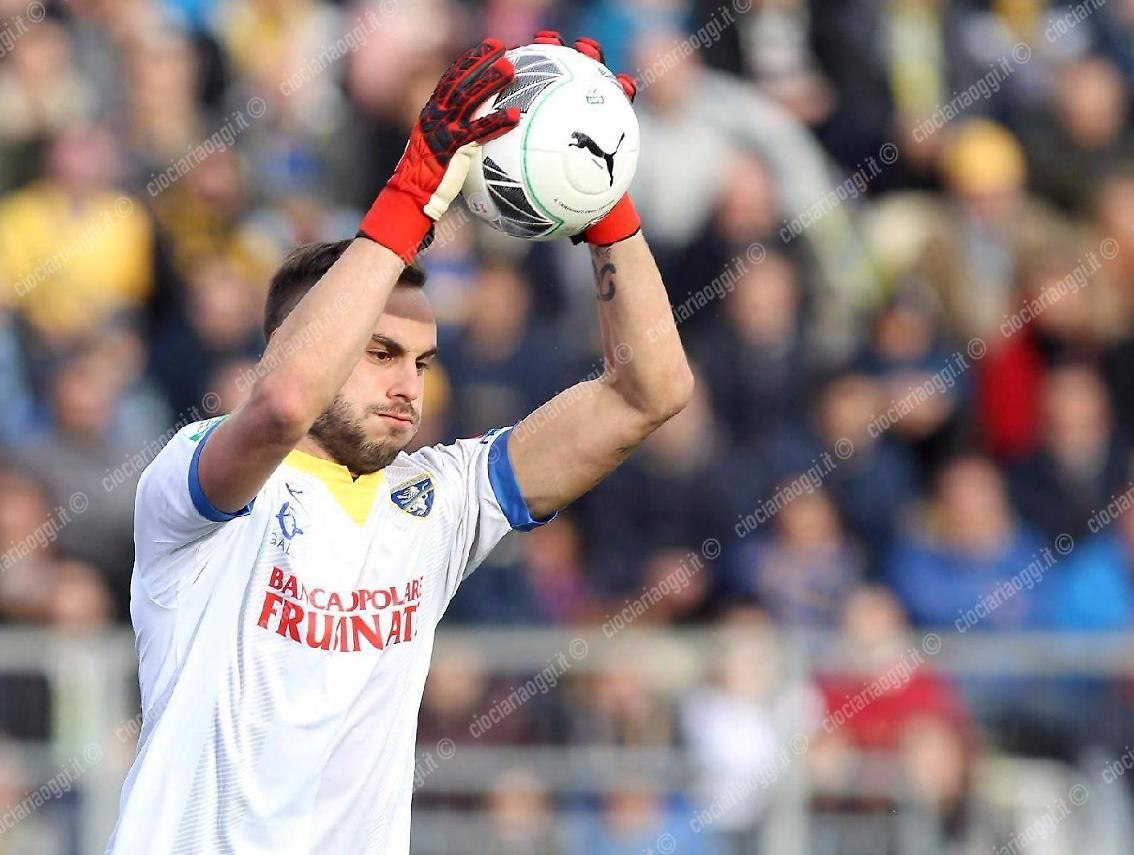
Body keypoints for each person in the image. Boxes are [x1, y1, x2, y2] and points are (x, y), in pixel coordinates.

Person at [106, 34, 693, 854]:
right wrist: (412, 189)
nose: (408, 385)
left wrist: (603, 194)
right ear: (301, 337)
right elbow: (280, 403)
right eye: (379, 353)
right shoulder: (195, 485)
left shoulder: (437, 501)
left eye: (421, 362)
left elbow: (650, 391)